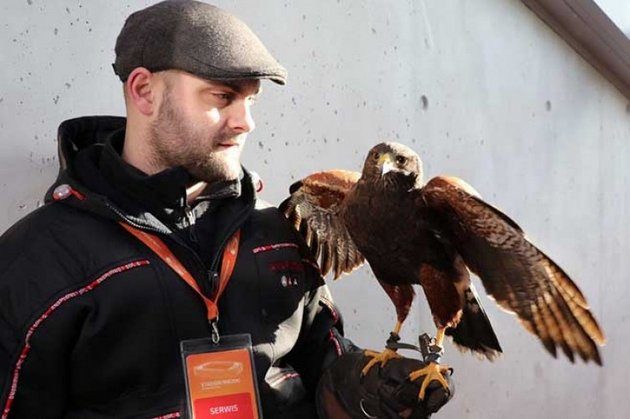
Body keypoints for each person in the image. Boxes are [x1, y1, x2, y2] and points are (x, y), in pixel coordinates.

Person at [0, 1, 452, 417]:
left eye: (250, 100)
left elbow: (322, 367)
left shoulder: (279, 231)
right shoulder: (40, 261)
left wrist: (359, 390)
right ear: (144, 92)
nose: (246, 121)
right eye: (222, 97)